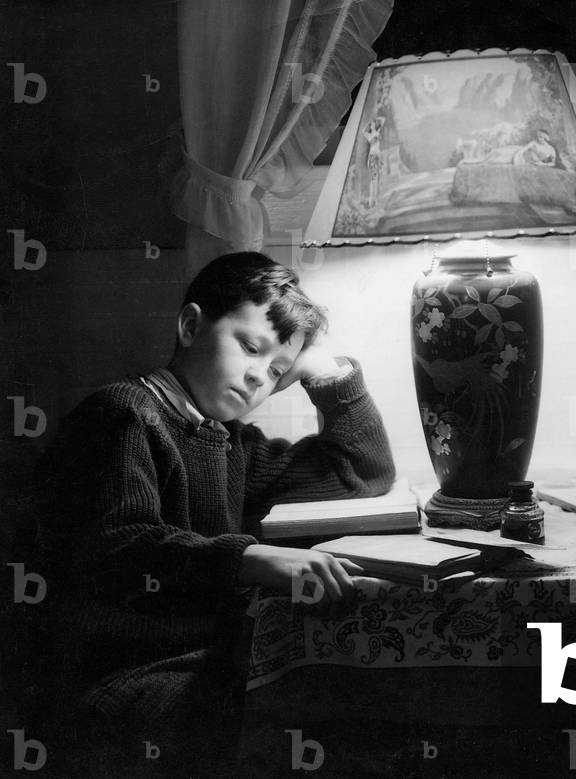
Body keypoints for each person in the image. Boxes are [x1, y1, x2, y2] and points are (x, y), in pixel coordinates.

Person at [4, 252, 395, 776]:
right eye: (250, 348)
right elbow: (121, 544)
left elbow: (361, 476)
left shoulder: (231, 444)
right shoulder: (122, 414)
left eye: (277, 370)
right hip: (115, 682)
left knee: (352, 697)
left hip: (201, 664)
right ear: (191, 325)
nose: (260, 376)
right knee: (310, 721)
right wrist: (249, 559)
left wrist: (325, 374)